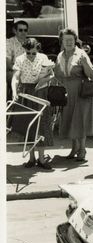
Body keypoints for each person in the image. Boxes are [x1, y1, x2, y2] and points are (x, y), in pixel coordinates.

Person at [11, 38, 55, 169]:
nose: (30, 56)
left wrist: (43, 81)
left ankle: (42, 159)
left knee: (42, 125)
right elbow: (15, 77)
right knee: (27, 125)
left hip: (40, 92)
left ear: (38, 50)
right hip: (26, 93)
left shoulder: (43, 57)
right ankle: (31, 158)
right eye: (28, 53)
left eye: (33, 53)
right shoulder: (20, 59)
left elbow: (51, 75)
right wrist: (14, 91)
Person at [54, 28, 93, 162]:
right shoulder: (60, 56)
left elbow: (91, 74)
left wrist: (84, 62)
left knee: (79, 121)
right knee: (69, 119)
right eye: (65, 40)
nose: (68, 42)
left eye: (71, 40)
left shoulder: (81, 54)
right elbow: (57, 74)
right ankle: (74, 148)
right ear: (62, 41)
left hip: (80, 91)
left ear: (75, 40)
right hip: (66, 92)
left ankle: (82, 149)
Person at [6, 20, 29, 96]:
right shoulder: (9, 42)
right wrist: (19, 70)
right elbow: (7, 62)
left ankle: (35, 104)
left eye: (25, 30)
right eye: (20, 30)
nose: (23, 32)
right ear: (15, 31)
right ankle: (17, 102)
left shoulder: (30, 42)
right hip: (12, 70)